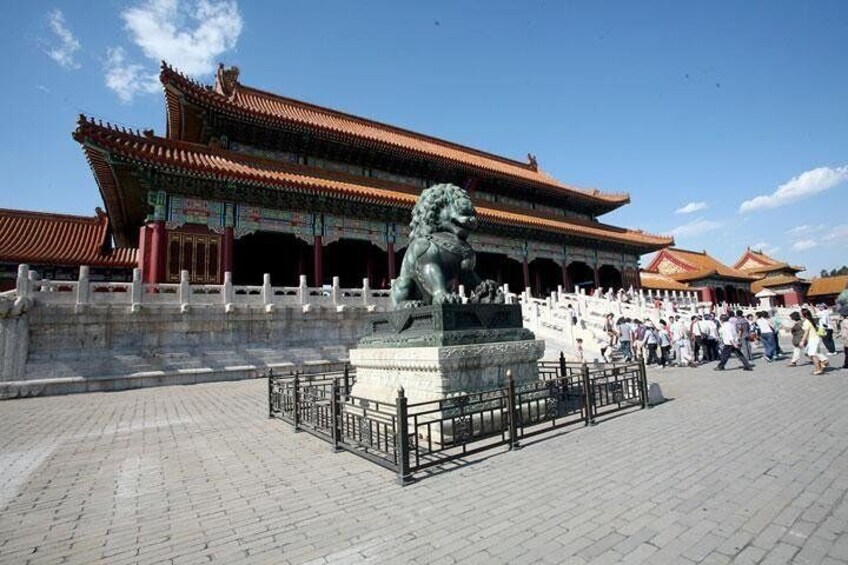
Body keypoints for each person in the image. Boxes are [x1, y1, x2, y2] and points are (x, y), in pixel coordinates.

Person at [800, 307, 827, 375]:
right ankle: (823, 361)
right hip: (815, 339)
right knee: (808, 352)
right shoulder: (810, 320)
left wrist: (802, 341)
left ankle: (818, 368)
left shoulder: (806, 322)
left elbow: (806, 332)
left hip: (812, 340)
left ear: (803, 315)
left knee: (812, 355)